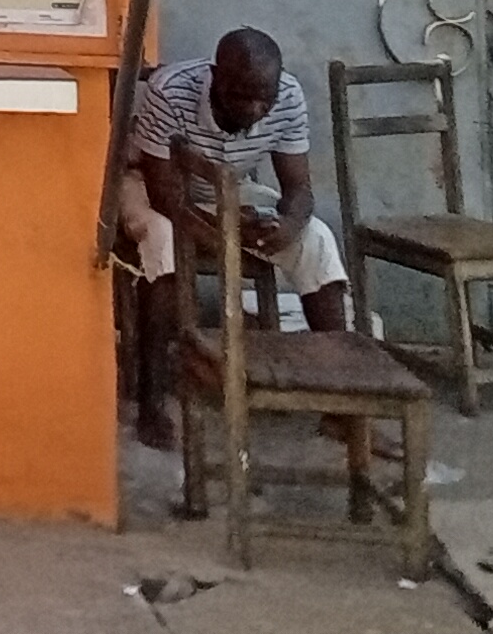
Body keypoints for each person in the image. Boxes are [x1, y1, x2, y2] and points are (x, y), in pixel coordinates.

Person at [124, 27, 350, 451]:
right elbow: (164, 195)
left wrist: (286, 225)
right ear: (216, 78)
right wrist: (222, 234)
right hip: (151, 185)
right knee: (163, 240)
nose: (255, 109)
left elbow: (299, 190)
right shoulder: (170, 91)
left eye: (264, 97)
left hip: (228, 188)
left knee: (317, 240)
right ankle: (151, 404)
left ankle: (343, 405)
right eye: (242, 96)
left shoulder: (287, 96)